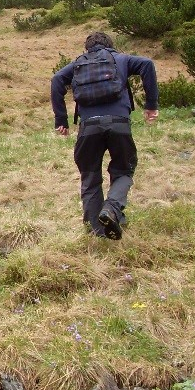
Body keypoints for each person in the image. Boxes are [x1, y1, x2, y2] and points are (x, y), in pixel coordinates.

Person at [50, 31, 159, 240]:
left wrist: (61, 121)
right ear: (111, 45)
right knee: (124, 170)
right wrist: (151, 105)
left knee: (90, 176)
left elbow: (56, 81)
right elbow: (146, 64)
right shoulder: (121, 59)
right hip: (119, 124)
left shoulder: (76, 65)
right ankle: (111, 209)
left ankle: (98, 233)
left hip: (88, 127)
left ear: (87, 48)